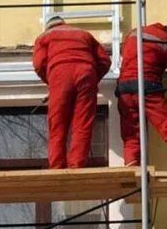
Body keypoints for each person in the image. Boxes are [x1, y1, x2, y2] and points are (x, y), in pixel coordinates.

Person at [116, 17, 167, 171]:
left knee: (131, 134)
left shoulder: (135, 32)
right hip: (148, 88)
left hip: (124, 89)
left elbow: (124, 52)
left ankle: (131, 167)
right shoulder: (166, 41)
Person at [32, 15, 112, 169]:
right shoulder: (84, 34)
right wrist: (93, 78)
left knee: (58, 124)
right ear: (63, 23)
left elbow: (39, 64)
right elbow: (104, 60)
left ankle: (56, 167)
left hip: (60, 73)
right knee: (82, 123)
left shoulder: (44, 37)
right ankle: (77, 165)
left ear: (48, 26)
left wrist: (52, 82)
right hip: (86, 73)